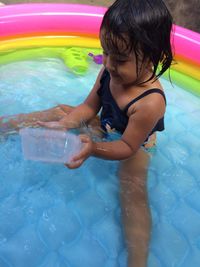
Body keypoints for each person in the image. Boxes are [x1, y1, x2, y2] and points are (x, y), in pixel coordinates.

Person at [0, 0, 173, 266]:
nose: (110, 63)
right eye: (106, 52)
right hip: (106, 126)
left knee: (133, 191)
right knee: (61, 110)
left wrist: (93, 149)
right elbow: (89, 106)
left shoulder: (150, 101)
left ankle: (138, 261)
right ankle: (5, 125)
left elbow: (126, 146)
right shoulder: (110, 69)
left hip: (135, 145)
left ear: (152, 58)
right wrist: (65, 124)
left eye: (120, 59)